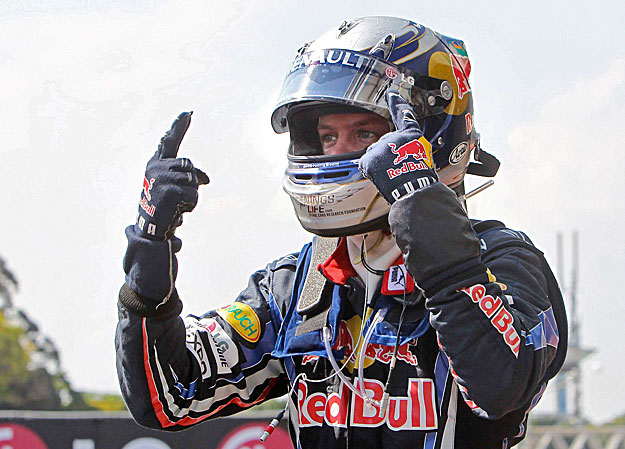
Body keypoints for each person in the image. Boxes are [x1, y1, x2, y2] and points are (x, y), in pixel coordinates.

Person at [116, 16, 567, 449]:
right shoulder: (298, 282)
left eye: (366, 133)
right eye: (328, 136)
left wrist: (428, 218)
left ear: (431, 136)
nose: (339, 152)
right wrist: (149, 262)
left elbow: (502, 390)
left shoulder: (502, 261)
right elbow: (170, 398)